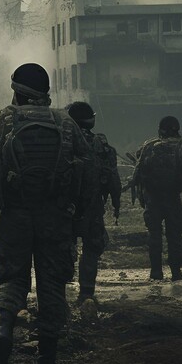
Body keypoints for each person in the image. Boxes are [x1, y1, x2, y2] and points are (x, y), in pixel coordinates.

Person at [0, 64, 94, 364]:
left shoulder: (3, 121)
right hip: (56, 219)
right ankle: (46, 362)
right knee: (51, 286)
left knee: (11, 280)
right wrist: (82, 223)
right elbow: (88, 176)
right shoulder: (66, 123)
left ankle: (3, 331)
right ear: (45, 94)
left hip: (15, 217)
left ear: (17, 91)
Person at [131, 116, 182, 281]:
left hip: (152, 199)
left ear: (160, 130)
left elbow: (138, 173)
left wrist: (143, 197)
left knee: (154, 235)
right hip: (172, 199)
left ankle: (155, 272)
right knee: (174, 236)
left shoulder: (148, 147)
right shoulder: (181, 149)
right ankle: (176, 273)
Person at [66, 101, 121, 304]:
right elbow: (113, 180)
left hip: (65, 207)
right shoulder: (102, 147)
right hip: (92, 206)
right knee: (91, 249)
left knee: (63, 246)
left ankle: (60, 289)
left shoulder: (62, 143)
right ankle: (86, 292)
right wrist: (116, 203)